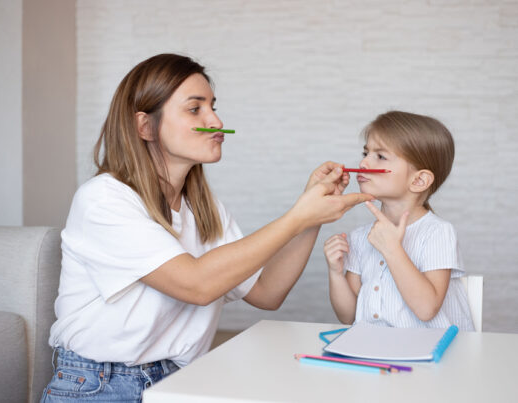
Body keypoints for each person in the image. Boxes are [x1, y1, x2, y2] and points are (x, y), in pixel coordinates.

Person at [40, 53, 373, 402]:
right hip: (100, 385)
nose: (216, 120)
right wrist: (298, 217)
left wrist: (312, 217)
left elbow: (267, 292)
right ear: (145, 126)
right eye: (195, 108)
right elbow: (196, 284)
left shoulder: (205, 209)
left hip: (183, 379)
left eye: (213, 106)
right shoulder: (104, 200)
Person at [323, 110, 474, 331]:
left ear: (419, 180)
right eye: (365, 153)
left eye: (380, 156)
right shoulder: (359, 237)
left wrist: (392, 249)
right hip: (378, 353)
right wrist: (335, 272)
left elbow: (426, 309)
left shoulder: (438, 232)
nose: (363, 163)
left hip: (432, 354)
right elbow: (348, 316)